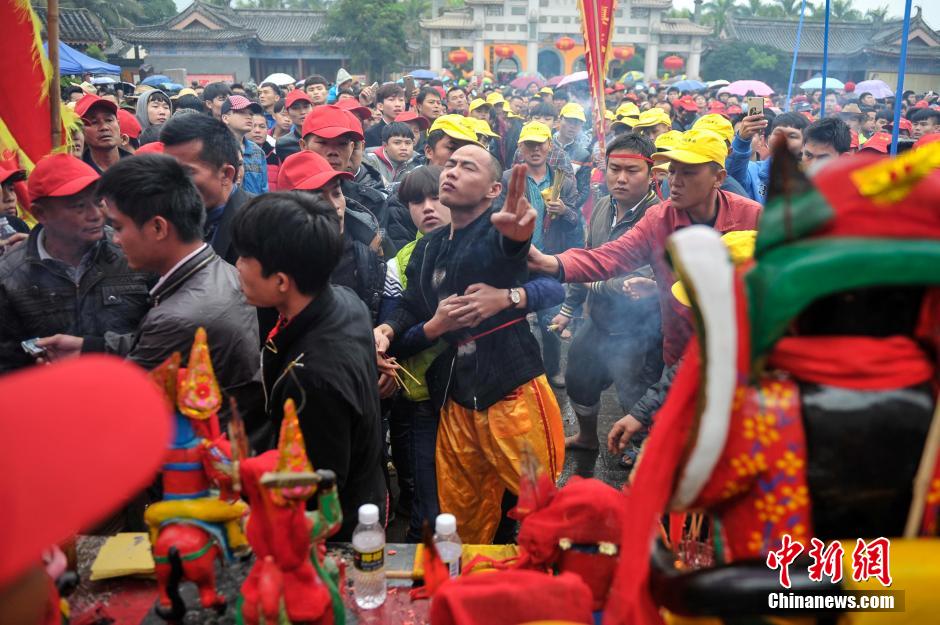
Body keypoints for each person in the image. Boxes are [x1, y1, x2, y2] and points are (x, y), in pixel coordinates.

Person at [375, 145, 565, 544]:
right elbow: (413, 303)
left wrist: (516, 244)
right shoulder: (428, 246)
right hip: (458, 394)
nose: (452, 172)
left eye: (467, 167)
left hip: (511, 388)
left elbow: (512, 257)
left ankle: (551, 592)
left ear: (494, 189)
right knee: (461, 511)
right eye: (450, 164)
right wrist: (390, 329)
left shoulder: (497, 233)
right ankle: (467, 590)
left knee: (540, 504)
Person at [38, 154, 262, 420]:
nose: (116, 240)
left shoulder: (176, 317)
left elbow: (122, 398)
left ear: (158, 227)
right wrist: (89, 347)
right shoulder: (218, 269)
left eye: (119, 227)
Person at [528, 128, 762, 369]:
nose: (675, 181)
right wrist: (551, 263)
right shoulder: (659, 218)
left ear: (719, 177)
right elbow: (610, 256)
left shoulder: (752, 217)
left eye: (688, 172)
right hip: (678, 345)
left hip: (738, 352)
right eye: (672, 171)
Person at [231, 191, 386, 540]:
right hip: (367, 485)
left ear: (282, 282)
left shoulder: (312, 377)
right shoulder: (345, 300)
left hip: (330, 533)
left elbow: (315, 485)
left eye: (245, 258)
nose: (237, 266)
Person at [553, 132, 664, 453]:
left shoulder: (660, 216)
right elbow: (589, 257)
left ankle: (642, 454)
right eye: (615, 169)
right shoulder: (603, 205)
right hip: (599, 321)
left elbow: (637, 283)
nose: (621, 178)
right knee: (578, 377)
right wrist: (567, 309)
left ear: (652, 174)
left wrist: (591, 281)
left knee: (635, 395)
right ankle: (588, 438)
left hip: (640, 330)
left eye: (632, 171)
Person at [0, 154, 151, 373]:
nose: (96, 215)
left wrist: (95, 349)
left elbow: (163, 340)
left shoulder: (135, 253)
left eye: (99, 202)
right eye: (79, 207)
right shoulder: (10, 276)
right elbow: (7, 366)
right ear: (40, 214)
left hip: (129, 392)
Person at [499, 121, 582, 387]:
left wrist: (564, 211)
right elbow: (494, 215)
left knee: (551, 318)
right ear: (521, 148)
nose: (535, 150)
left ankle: (553, 368)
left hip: (548, 259)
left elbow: (575, 221)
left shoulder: (562, 180)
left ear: (549, 146)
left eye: (540, 144)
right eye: (530, 145)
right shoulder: (507, 178)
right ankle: (515, 370)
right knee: (511, 316)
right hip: (514, 258)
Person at [160, 112, 250, 265]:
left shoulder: (263, 226)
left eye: (186, 172)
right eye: (168, 171)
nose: (171, 182)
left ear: (226, 175)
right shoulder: (165, 220)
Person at [384, 114, 482, 249]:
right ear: (429, 151)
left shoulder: (481, 198)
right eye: (452, 148)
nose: (462, 156)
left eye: (468, 150)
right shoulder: (404, 198)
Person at [728, 111, 810, 204]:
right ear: (768, 141)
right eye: (778, 134)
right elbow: (732, 178)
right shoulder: (752, 171)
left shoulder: (813, 177)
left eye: (792, 136)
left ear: (805, 144)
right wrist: (742, 140)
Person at [221, 95, 269, 195]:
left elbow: (264, 188)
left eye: (251, 114)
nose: (249, 117)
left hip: (254, 208)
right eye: (241, 112)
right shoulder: (216, 148)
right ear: (226, 118)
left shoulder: (257, 151)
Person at [76, 94, 130, 173]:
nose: (104, 127)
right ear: (81, 131)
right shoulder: (78, 173)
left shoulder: (138, 167)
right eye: (94, 122)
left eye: (109, 120)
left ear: (118, 124)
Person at [555, 102, 592, 207]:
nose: (573, 126)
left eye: (577, 123)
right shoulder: (544, 146)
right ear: (560, 119)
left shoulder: (583, 155)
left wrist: (568, 207)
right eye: (569, 121)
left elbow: (584, 189)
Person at [363, 121, 419, 189]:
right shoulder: (370, 161)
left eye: (408, 143)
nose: (404, 148)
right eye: (397, 143)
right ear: (385, 145)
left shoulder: (418, 161)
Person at [275, 89, 314, 162]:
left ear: (312, 108)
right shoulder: (283, 143)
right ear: (287, 113)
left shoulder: (324, 137)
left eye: (306, 107)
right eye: (295, 108)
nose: (302, 112)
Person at [365, 83, 406, 148]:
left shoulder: (408, 130)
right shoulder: (371, 133)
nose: (398, 104)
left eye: (401, 100)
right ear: (380, 106)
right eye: (391, 100)